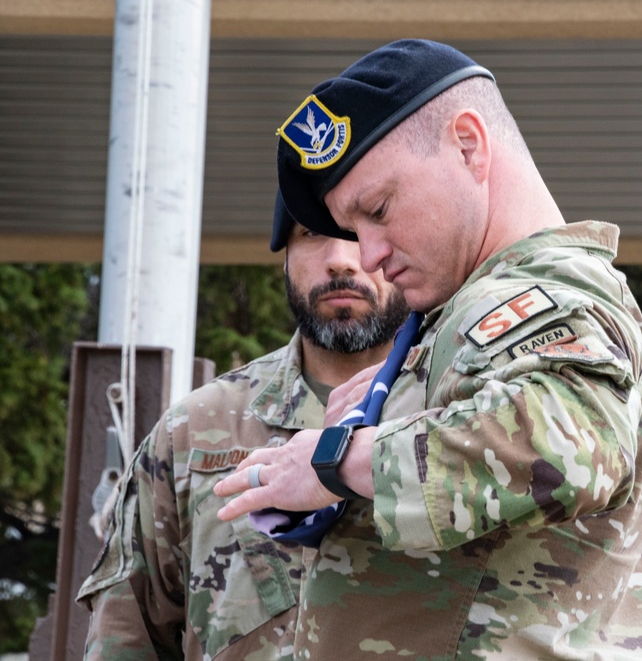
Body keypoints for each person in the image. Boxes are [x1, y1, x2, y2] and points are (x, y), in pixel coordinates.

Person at [216, 39, 642, 659]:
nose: (368, 254)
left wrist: (335, 460)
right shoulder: (462, 311)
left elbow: (569, 444)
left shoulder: (536, 297)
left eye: (377, 210)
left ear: (468, 146)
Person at [75, 193, 410, 659]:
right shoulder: (191, 433)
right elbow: (128, 637)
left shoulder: (464, 408)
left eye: (362, 229)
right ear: (284, 256)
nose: (340, 260)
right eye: (311, 232)